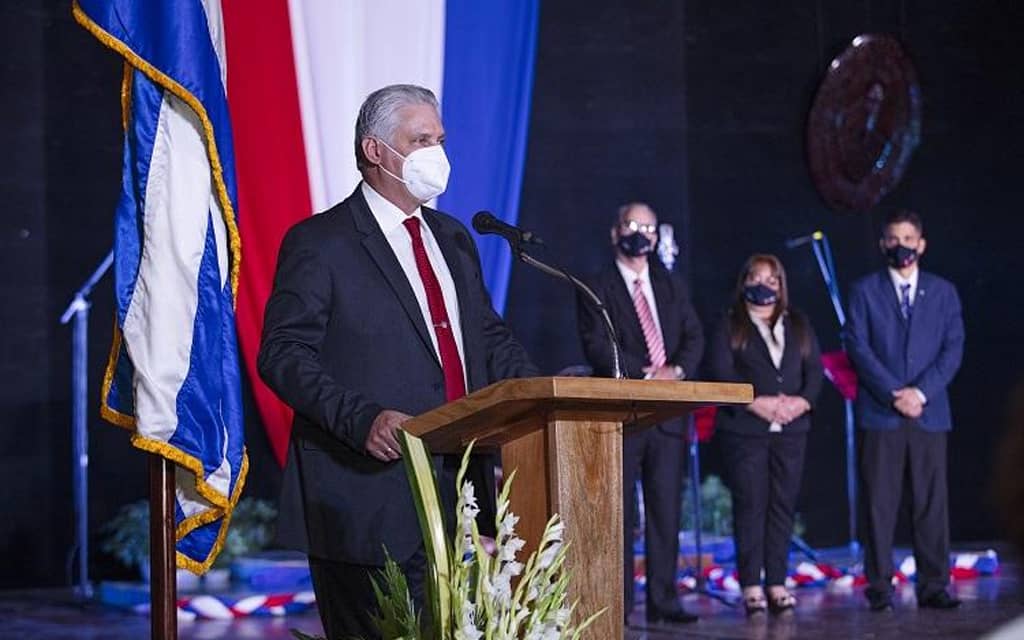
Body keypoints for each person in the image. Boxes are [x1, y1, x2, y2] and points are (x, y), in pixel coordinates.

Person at [257, 84, 538, 639]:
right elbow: (283, 353)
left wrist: (538, 395)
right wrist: (360, 418)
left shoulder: (454, 238)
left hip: (461, 492)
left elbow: (485, 337)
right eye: (420, 139)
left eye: (439, 138)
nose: (437, 152)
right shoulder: (322, 242)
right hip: (367, 498)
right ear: (376, 150)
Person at [576, 202, 703, 626]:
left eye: (648, 228)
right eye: (632, 225)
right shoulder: (596, 285)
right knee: (621, 514)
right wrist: (646, 373)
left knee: (666, 511)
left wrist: (677, 371)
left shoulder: (670, 284)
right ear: (615, 232)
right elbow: (596, 345)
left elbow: (693, 335)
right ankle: (621, 603)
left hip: (667, 416)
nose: (640, 234)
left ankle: (664, 601)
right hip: (624, 413)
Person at [846, 208, 964, 612]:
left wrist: (921, 393)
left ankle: (934, 584)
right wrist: (895, 393)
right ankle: (879, 584)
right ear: (883, 244)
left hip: (929, 412)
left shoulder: (944, 292)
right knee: (880, 501)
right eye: (893, 239)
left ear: (922, 244)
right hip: (883, 411)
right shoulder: (865, 291)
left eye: (908, 239)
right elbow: (857, 347)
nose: (902, 247)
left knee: (931, 501)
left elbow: (953, 349)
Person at [705, 254, 823, 615]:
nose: (764, 285)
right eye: (757, 277)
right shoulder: (730, 325)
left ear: (781, 286)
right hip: (746, 430)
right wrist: (758, 403)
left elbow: (814, 373)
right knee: (751, 505)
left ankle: (776, 582)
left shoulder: (798, 323)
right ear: (744, 282)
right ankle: (751, 585)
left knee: (782, 506)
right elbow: (721, 372)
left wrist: (800, 403)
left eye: (772, 280)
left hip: (792, 429)